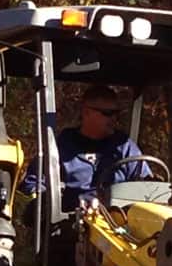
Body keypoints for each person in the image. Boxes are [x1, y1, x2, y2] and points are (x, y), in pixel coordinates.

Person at [18, 86, 150, 211]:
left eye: (116, 113)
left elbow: (147, 186)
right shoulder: (61, 146)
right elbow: (33, 183)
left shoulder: (125, 147)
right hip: (68, 225)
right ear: (86, 112)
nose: (114, 119)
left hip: (116, 225)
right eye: (107, 113)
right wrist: (49, 199)